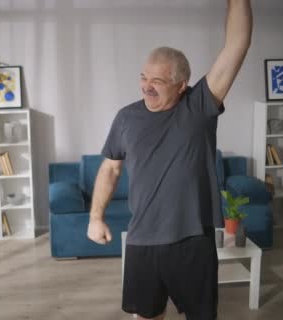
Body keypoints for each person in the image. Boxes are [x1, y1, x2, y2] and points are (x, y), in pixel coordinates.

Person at [86, 1, 253, 319]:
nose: (146, 86)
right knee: (146, 315)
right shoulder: (126, 118)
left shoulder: (198, 107)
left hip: (191, 240)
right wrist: (95, 216)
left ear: (181, 85)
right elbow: (110, 168)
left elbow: (237, 45)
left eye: (158, 81)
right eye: (143, 77)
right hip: (142, 240)